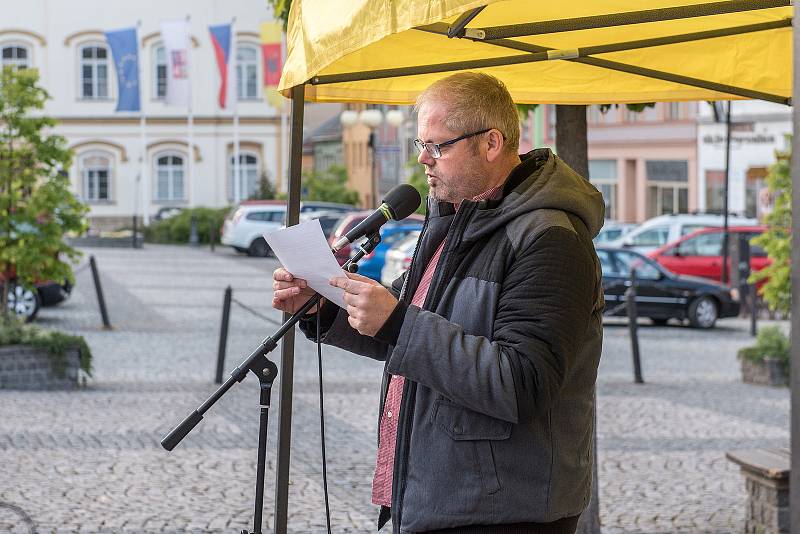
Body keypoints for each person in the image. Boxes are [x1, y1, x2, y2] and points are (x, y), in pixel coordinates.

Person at [272, 72, 605, 534]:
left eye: (439, 146)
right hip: (440, 495)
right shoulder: (455, 218)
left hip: (505, 513)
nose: (424, 160)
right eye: (420, 144)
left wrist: (396, 323)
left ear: (492, 142)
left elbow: (522, 383)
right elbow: (401, 323)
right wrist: (325, 306)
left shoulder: (550, 239)